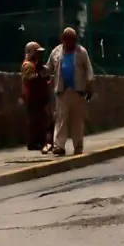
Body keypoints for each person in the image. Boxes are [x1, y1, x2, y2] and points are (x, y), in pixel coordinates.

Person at [45, 27, 94, 157]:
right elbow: (48, 68)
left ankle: (78, 146)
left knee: (77, 121)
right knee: (61, 119)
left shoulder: (81, 52)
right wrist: (41, 71)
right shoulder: (56, 52)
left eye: (72, 39)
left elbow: (89, 70)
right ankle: (59, 146)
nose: (70, 42)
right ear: (63, 39)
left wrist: (89, 85)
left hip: (77, 91)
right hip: (62, 91)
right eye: (67, 38)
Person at [20, 41, 53, 153]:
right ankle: (33, 143)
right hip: (32, 97)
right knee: (34, 121)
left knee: (43, 120)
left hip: (40, 97)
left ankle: (42, 142)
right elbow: (30, 79)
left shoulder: (37, 64)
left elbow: (47, 77)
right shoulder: (28, 65)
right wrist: (40, 75)